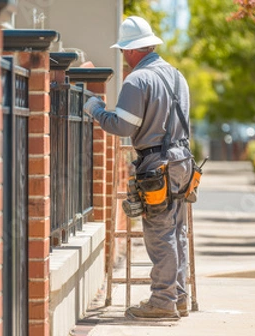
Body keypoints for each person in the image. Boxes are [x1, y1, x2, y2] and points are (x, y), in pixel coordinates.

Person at [83, 16, 193, 320]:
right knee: (177, 232)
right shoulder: (176, 76)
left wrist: (93, 106)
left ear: (131, 51)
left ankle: (162, 302)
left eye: (122, 52)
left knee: (160, 234)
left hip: (157, 165)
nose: (123, 59)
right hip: (183, 162)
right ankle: (179, 297)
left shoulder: (138, 80)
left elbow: (120, 125)